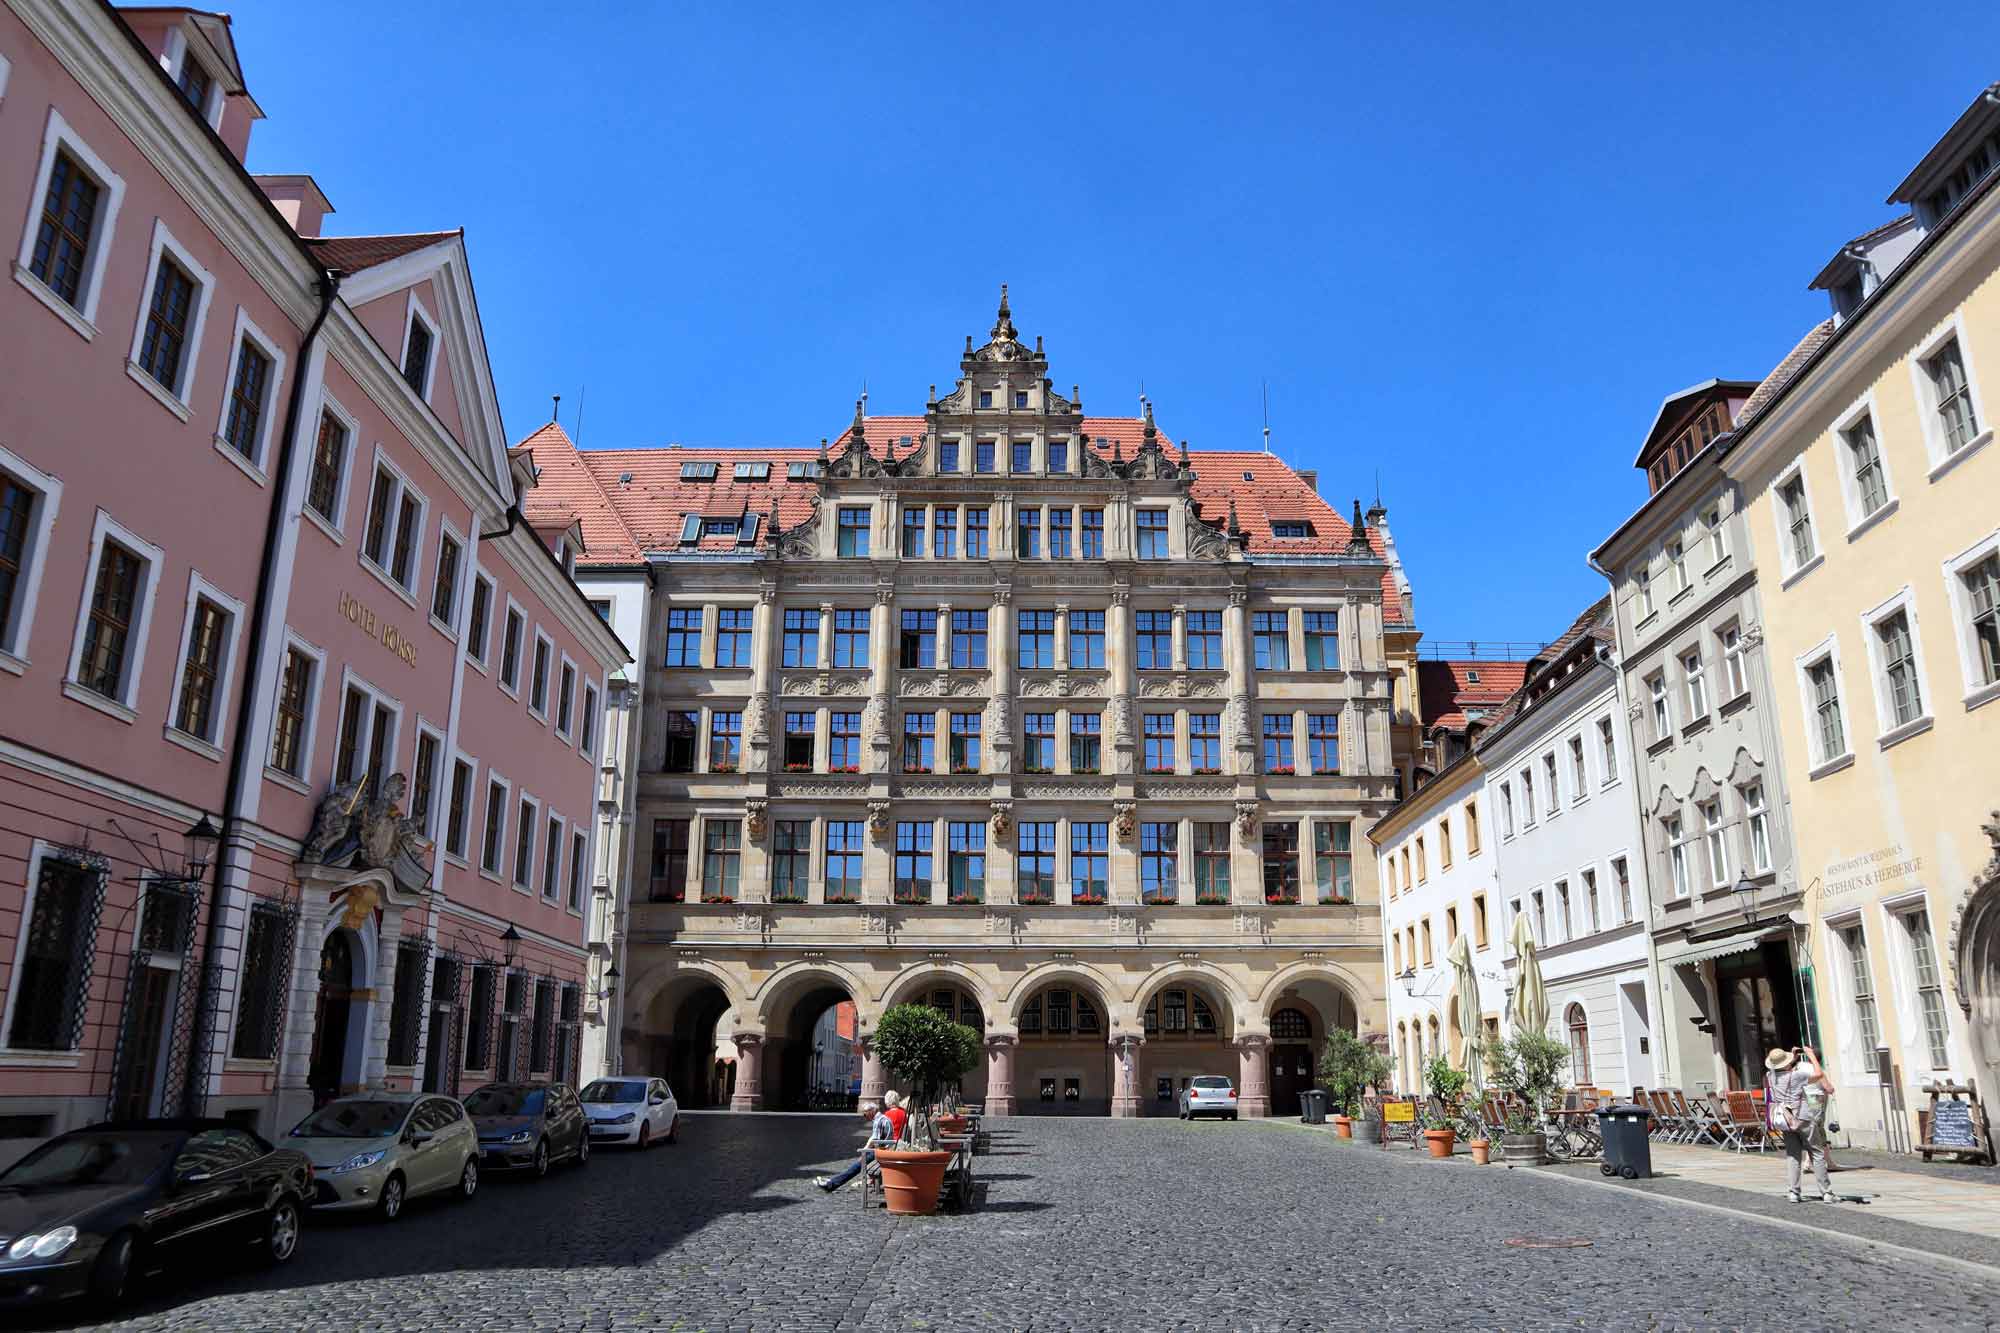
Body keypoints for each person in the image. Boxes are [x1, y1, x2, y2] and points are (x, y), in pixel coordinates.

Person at [1765, 1045, 1835, 1203]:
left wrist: (1793, 1058)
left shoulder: (1770, 1075)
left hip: (1785, 1119)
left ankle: (1794, 1192)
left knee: (1793, 1155)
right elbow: (1818, 1074)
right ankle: (1827, 1192)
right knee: (1816, 1153)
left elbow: (1784, 1069)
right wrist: (1811, 1056)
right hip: (1802, 1117)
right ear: (1787, 1062)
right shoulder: (1797, 1075)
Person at [815, 1091, 903, 1193]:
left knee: (857, 1165)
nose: (865, 1117)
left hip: (883, 1151)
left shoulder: (880, 1120)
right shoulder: (884, 1118)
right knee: (857, 1164)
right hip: (887, 1149)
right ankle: (833, 1182)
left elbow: (875, 1139)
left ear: (872, 1111)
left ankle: (832, 1183)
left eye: (865, 1114)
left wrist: (865, 1150)